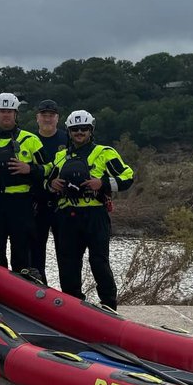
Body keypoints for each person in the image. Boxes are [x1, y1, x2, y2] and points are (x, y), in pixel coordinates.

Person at [46, 110, 135, 309]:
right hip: (67, 218)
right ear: (69, 131)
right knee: (68, 264)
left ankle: (109, 304)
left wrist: (102, 183)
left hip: (95, 216)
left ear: (91, 130)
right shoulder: (60, 157)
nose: (79, 132)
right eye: (75, 129)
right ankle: (72, 306)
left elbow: (128, 177)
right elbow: (46, 184)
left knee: (99, 262)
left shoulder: (105, 153)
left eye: (83, 129)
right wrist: (53, 185)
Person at [0, 92, 49, 274]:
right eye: (2, 111)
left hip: (21, 203)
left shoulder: (30, 140)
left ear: (16, 114)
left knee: (21, 253)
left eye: (10, 111)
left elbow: (50, 169)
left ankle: (20, 295)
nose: (6, 115)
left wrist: (30, 169)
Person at [31, 99, 66, 283]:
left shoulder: (67, 139)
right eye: (44, 115)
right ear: (37, 118)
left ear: (57, 118)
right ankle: (39, 291)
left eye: (51, 115)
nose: (47, 119)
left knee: (66, 252)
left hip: (63, 204)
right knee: (36, 252)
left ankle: (69, 295)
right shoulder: (29, 140)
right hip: (37, 204)